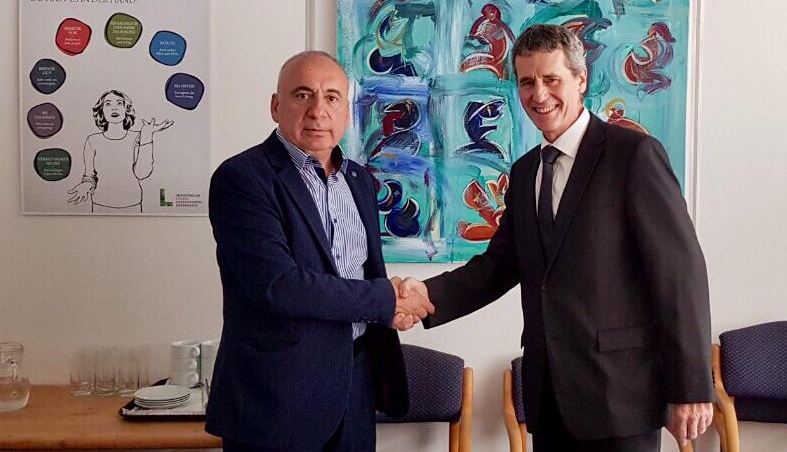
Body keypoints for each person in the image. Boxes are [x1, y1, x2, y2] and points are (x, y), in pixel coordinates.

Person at [398, 25, 713, 451]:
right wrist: (424, 296)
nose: (539, 94)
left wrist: (691, 387)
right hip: (548, 397)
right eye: (527, 82)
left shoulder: (633, 155)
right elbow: (498, 267)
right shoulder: (526, 170)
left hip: (622, 398)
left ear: (580, 79)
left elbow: (680, 274)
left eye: (551, 79)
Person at [206, 51, 434, 451]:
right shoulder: (241, 179)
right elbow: (280, 286)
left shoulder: (360, 181)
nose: (318, 111)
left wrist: (388, 306)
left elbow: (363, 274)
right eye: (302, 95)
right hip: (276, 398)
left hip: (354, 390)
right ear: (276, 106)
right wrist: (387, 299)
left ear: (346, 110)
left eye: (331, 97)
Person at [66, 89, 173, 213]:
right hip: (100, 204)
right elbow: (90, 176)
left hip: (132, 204)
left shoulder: (138, 137)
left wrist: (147, 137)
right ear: (101, 111)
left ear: (126, 109)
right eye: (108, 104)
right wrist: (86, 184)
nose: (114, 108)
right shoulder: (92, 140)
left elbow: (142, 174)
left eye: (119, 103)